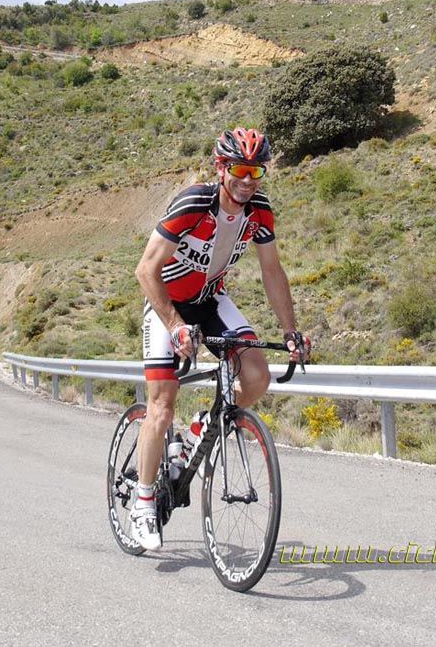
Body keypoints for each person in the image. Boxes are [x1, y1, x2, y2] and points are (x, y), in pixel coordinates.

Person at [130, 127, 310, 550]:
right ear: (221, 167)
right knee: (161, 405)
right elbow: (145, 270)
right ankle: (142, 503)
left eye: (257, 171)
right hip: (168, 304)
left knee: (257, 376)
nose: (248, 180)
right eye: (240, 169)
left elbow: (272, 272)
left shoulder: (260, 211)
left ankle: (197, 434)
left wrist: (290, 331)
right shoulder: (195, 201)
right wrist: (174, 324)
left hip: (210, 300)